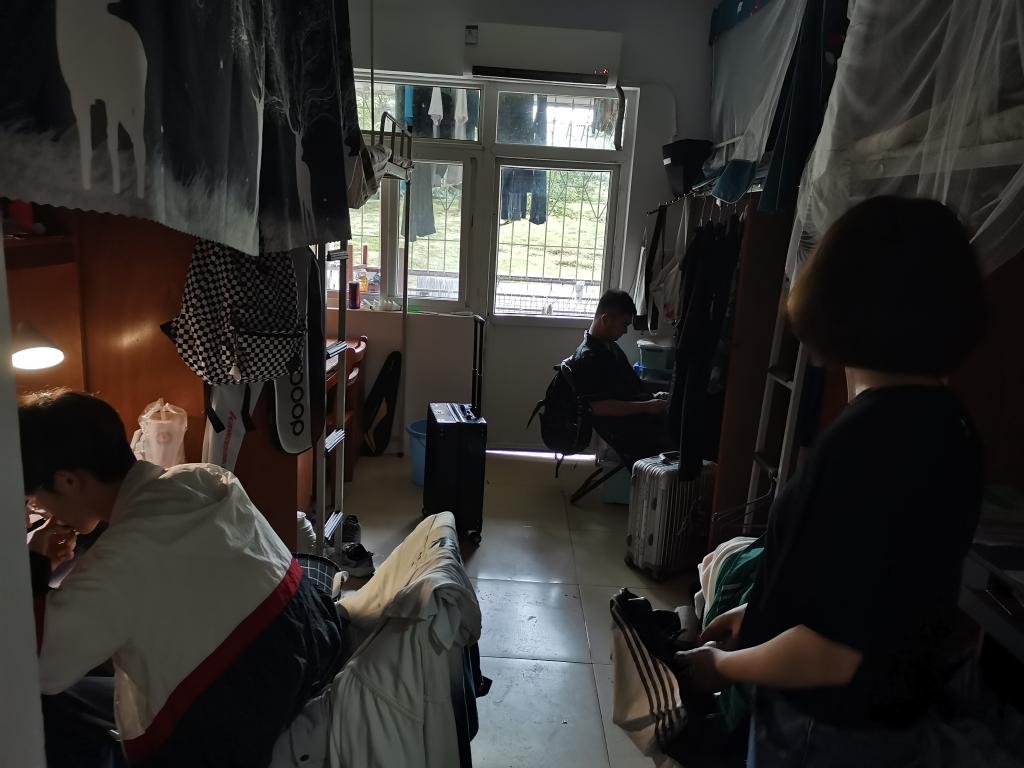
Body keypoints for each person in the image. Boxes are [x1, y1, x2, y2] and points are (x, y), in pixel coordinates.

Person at [675, 196, 988, 767]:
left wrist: (720, 667)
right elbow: (872, 592)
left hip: (824, 731)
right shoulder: (950, 423)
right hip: (888, 720)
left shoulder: (868, 442)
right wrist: (754, 618)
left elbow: (833, 655)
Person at [21, 390, 345, 768]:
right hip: (307, 650)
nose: (43, 511)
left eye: (36, 499)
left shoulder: (121, 558)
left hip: (240, 719)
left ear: (67, 481)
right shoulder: (206, 479)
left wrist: (34, 563)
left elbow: (40, 665)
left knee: (43, 702)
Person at [570, 289, 669, 463]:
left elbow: (628, 388)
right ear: (606, 319)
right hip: (627, 429)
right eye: (624, 324)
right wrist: (647, 406)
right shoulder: (588, 358)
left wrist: (654, 397)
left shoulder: (609, 347)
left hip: (640, 414)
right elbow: (598, 407)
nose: (625, 331)